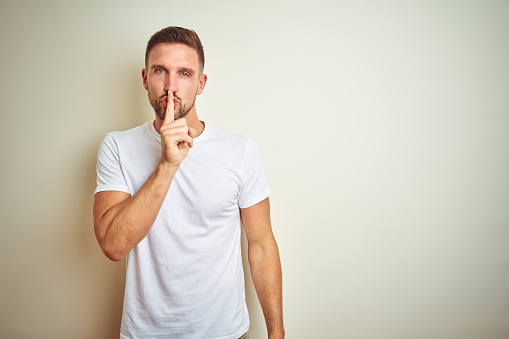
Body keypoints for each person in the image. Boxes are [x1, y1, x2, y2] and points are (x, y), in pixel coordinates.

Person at [93, 26, 284, 339]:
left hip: (224, 332)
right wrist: (168, 165)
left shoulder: (239, 151)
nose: (171, 86)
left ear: (200, 83)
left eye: (184, 73)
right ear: (144, 78)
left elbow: (262, 245)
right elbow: (113, 246)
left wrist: (276, 333)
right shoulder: (117, 146)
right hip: (145, 333)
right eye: (160, 71)